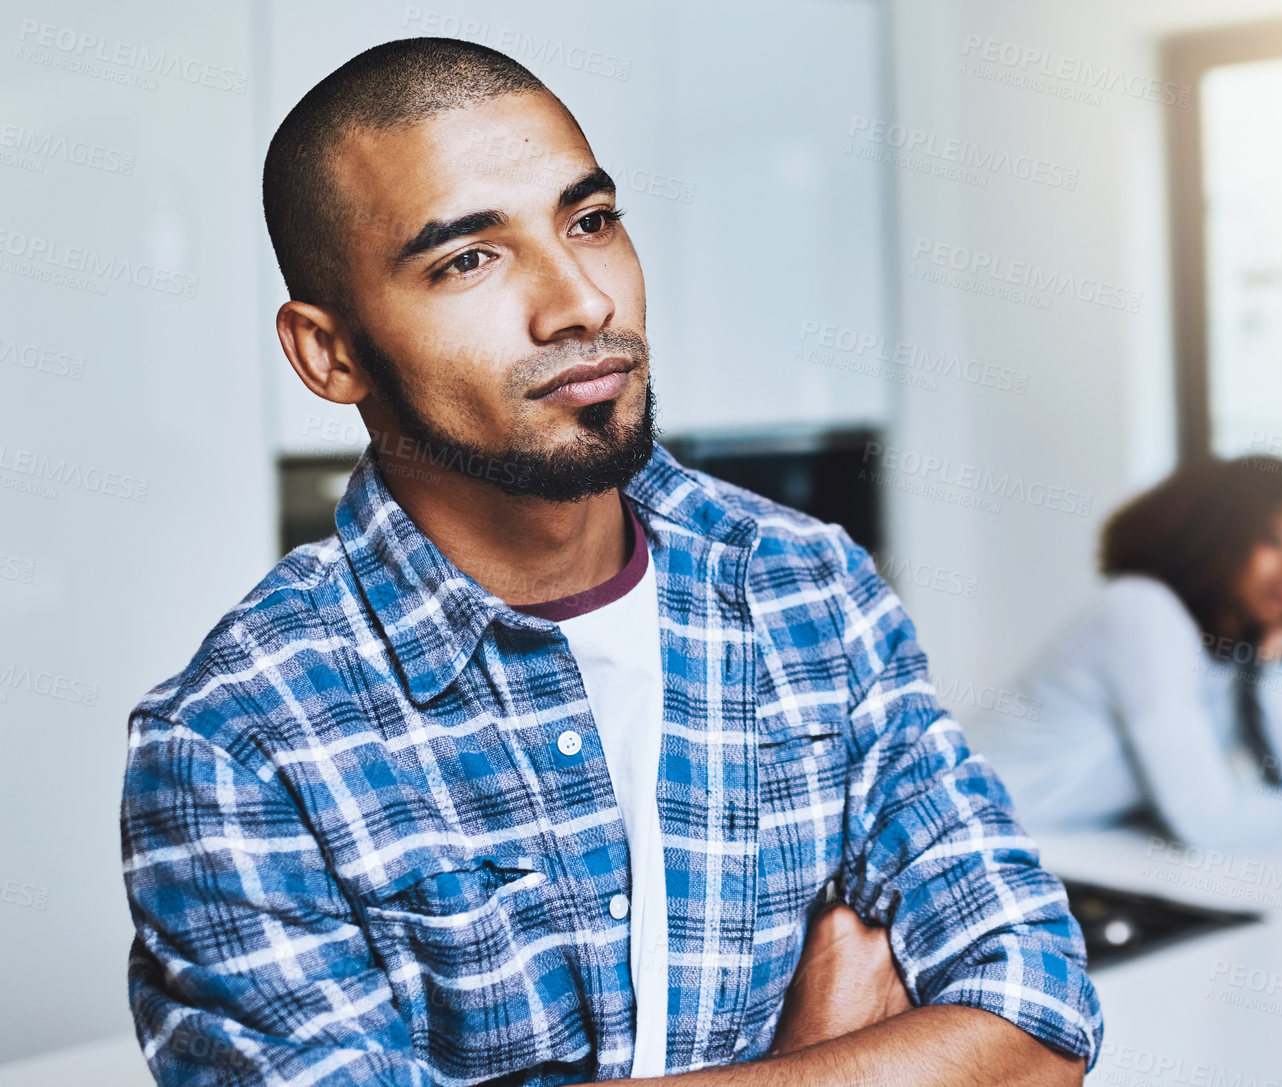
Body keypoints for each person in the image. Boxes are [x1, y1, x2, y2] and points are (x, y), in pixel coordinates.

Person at [118, 38, 1098, 1087]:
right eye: (467, 259)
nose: (581, 302)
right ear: (331, 353)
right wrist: (820, 1061)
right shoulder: (239, 739)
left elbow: (1035, 1020)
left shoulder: (807, 585)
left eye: (589, 221)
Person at [970, 455, 1282, 853]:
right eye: (1274, 538)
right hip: (942, 837)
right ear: (1222, 530)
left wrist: (1275, 659)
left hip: (1051, 849)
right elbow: (1212, 825)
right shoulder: (1142, 610)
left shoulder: (1238, 650)